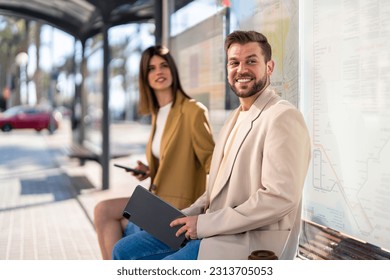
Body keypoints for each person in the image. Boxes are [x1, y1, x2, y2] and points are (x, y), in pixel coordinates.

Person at [112, 30, 311, 260]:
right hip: (214, 230)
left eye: (251, 61)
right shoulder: (234, 119)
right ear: (227, 70)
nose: (241, 69)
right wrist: (183, 217)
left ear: (269, 67)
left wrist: (204, 224)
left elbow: (279, 198)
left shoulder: (282, 116)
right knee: (123, 250)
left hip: (248, 240)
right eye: (234, 62)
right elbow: (213, 193)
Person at [93, 45, 215, 260]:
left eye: (164, 66)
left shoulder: (192, 111)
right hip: (155, 203)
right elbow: (172, 160)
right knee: (103, 211)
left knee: (114, 229)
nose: (158, 72)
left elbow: (213, 165)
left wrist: (209, 215)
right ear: (145, 76)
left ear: (173, 70)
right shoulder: (158, 113)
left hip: (178, 210)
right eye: (151, 68)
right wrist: (149, 171)